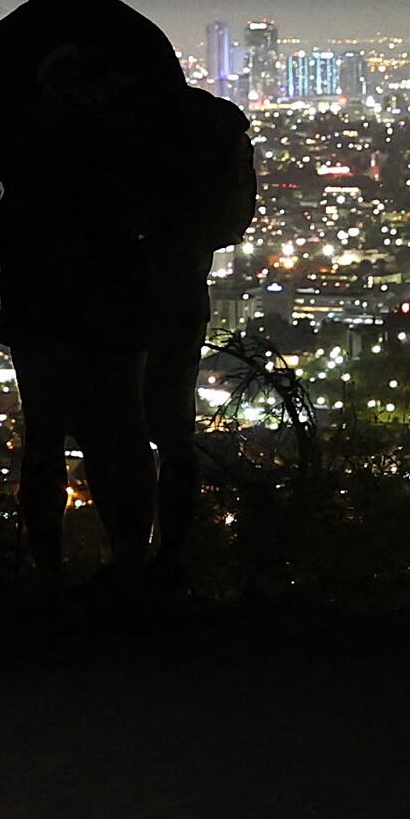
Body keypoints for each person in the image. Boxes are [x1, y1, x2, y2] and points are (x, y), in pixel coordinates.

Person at [0, 0, 188, 600]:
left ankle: (47, 582)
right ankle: (130, 572)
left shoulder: (3, 49)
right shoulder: (143, 44)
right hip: (123, 261)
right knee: (123, 424)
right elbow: (169, 159)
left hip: (39, 261)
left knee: (44, 426)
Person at [135, 79, 258, 588]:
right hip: (183, 291)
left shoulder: (119, 118)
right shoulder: (198, 122)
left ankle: (123, 564)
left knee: (115, 433)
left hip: (115, 291)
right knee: (174, 433)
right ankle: (170, 561)